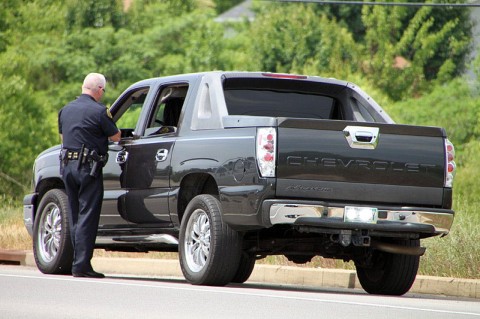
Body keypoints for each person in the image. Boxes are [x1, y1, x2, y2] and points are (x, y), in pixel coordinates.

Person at [58, 73, 121, 278]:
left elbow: (63, 138)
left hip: (67, 167)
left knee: (75, 214)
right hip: (88, 169)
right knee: (88, 215)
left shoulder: (65, 110)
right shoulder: (100, 111)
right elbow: (116, 136)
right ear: (99, 89)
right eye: (103, 91)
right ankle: (81, 266)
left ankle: (78, 261)